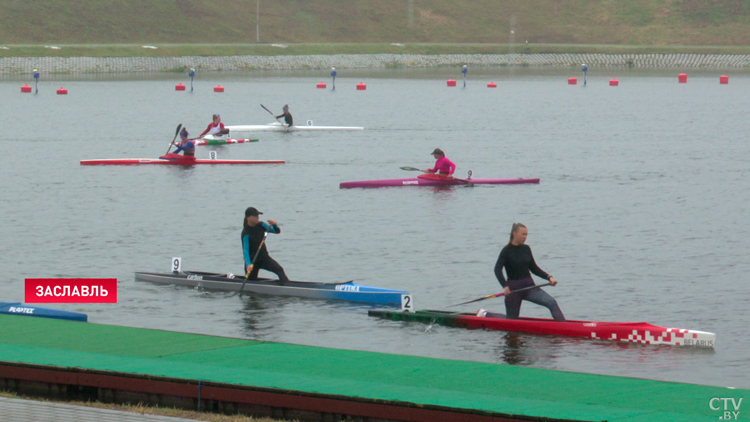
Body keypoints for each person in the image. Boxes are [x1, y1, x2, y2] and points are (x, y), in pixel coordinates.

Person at [492, 223, 566, 321]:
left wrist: (549, 277)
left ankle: (564, 327)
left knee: (551, 302)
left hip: (530, 288)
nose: (525, 237)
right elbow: (497, 270)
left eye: (526, 234)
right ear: (514, 234)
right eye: (523, 234)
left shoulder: (526, 249)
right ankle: (485, 314)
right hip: (514, 290)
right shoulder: (506, 251)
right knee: (511, 320)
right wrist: (505, 286)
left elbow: (534, 268)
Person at [241, 207, 290, 284]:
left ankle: (288, 287)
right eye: (255, 215)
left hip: (264, 258)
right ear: (248, 218)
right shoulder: (245, 232)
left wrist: (275, 225)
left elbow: (276, 231)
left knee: (279, 269)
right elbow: (245, 250)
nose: (257, 217)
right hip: (252, 261)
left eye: (258, 215)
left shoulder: (262, 225)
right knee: (251, 282)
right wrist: (248, 264)